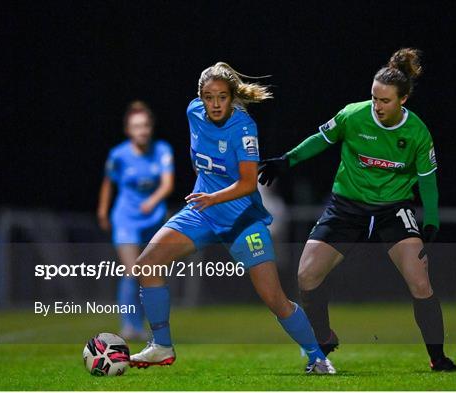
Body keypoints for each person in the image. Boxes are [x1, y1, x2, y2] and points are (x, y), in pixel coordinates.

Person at [259, 48, 456, 372]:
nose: (376, 106)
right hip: (346, 206)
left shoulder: (417, 134)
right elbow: (320, 139)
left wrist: (433, 220)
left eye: (385, 101)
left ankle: (438, 358)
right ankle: (324, 337)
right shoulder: (354, 115)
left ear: (403, 100)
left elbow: (428, 182)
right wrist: (287, 161)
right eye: (373, 98)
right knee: (306, 275)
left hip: (393, 209)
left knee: (420, 281)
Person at [129, 62, 335, 374]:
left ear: (232, 96)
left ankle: (317, 357)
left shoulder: (243, 127)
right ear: (200, 97)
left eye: (222, 97)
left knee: (274, 298)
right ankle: (161, 346)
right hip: (202, 212)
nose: (214, 104)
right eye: (209, 97)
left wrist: (213, 196)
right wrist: (206, 194)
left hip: (241, 219)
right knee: (148, 264)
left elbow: (249, 184)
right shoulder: (192, 112)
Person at [97, 101, 175, 340]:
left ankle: (145, 325)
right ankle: (129, 325)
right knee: (132, 271)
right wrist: (102, 211)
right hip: (126, 219)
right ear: (128, 130)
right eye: (136, 126)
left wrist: (153, 201)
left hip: (153, 219)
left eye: (145, 125)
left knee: (150, 271)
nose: (141, 130)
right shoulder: (118, 155)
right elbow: (108, 183)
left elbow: (167, 183)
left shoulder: (162, 150)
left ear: (150, 127)